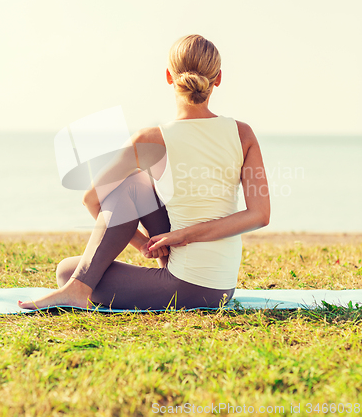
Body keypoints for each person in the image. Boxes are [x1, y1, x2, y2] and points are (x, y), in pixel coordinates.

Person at [18, 34, 270, 311]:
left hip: (189, 286)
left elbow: (92, 199)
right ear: (218, 79)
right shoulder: (242, 133)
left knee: (68, 269)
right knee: (137, 184)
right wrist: (150, 242)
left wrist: (164, 239)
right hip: (224, 285)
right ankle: (79, 287)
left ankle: (77, 287)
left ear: (168, 76)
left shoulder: (151, 139)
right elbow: (259, 215)